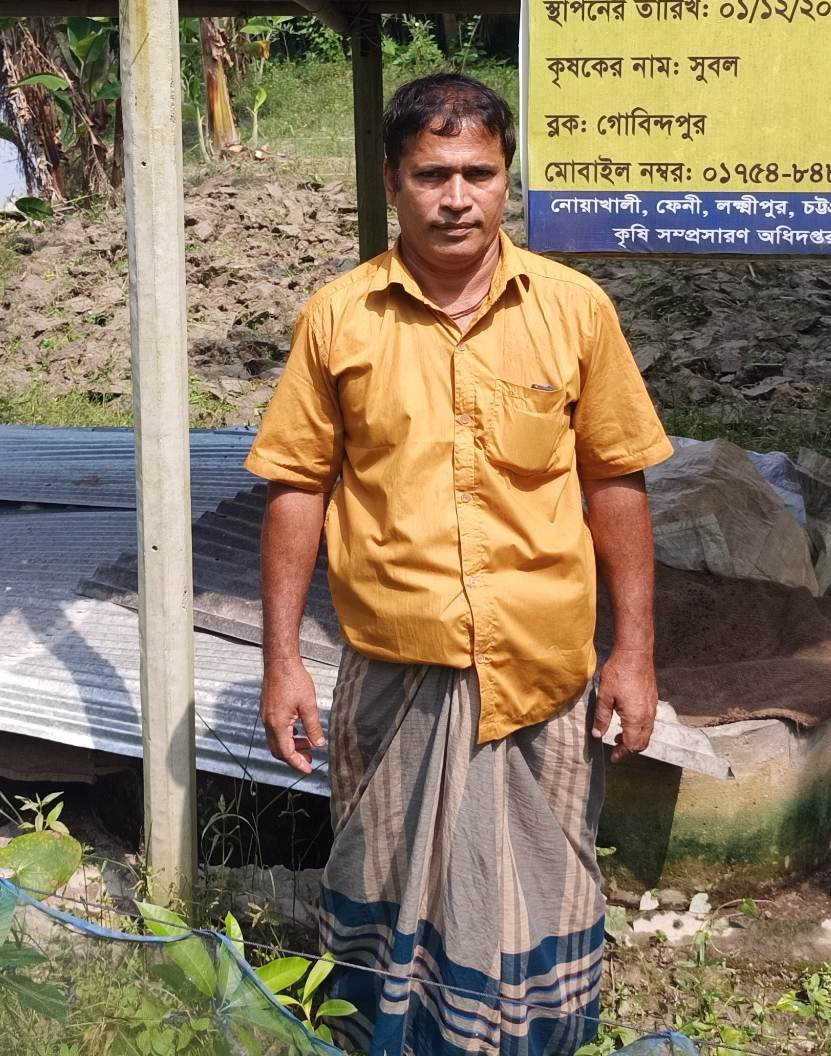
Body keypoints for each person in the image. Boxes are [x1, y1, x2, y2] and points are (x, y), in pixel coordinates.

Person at [246, 72, 672, 1056]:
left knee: (543, 878)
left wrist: (635, 653)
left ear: (506, 179)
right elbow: (296, 487)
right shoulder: (339, 319)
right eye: (431, 174)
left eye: (478, 174)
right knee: (384, 877)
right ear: (391, 183)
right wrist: (282, 660)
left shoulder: (574, 311)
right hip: (395, 676)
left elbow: (615, 480)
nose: (456, 198)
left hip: (543, 672)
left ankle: (540, 1040)